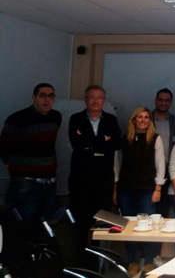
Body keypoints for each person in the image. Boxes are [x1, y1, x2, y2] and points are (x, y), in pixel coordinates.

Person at [114, 107, 166, 276]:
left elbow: (161, 165)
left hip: (147, 190)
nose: (143, 120)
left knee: (148, 226)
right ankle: (133, 261)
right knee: (128, 227)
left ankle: (150, 261)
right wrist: (115, 187)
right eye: (139, 117)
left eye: (146, 117)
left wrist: (158, 187)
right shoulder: (125, 139)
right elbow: (117, 163)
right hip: (126, 189)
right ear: (133, 120)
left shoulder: (155, 139)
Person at [68, 85, 121, 248]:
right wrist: (103, 142)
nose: (96, 101)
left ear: (104, 100)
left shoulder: (111, 119)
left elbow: (116, 143)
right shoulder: (76, 119)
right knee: (81, 224)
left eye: (99, 97)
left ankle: (98, 261)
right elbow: (77, 144)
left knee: (101, 223)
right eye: (92, 97)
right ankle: (82, 261)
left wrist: (91, 145)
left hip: (103, 180)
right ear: (86, 99)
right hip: (80, 180)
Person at [1, 83, 62, 223]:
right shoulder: (17, 119)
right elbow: (4, 146)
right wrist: (15, 168)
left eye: (51, 96)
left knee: (46, 220)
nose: (47, 100)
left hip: (49, 179)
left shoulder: (56, 117)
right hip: (25, 181)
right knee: (23, 219)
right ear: (34, 97)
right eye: (42, 96)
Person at [152, 88, 175, 217]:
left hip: (169, 169)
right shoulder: (147, 118)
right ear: (155, 101)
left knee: (164, 207)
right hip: (151, 168)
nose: (163, 103)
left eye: (167, 100)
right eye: (160, 100)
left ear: (171, 102)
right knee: (150, 206)